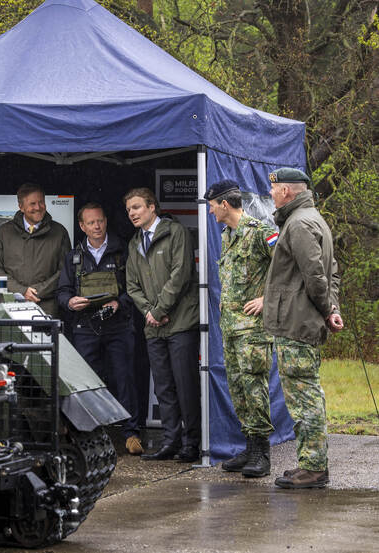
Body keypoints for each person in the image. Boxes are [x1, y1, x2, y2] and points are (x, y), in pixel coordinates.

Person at [263, 168, 343, 489]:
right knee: (306, 395)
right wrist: (332, 309)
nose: (271, 194)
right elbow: (331, 272)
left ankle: (314, 468)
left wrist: (327, 309)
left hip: (297, 323)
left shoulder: (298, 223)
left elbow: (316, 276)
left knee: (304, 398)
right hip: (301, 320)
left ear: (286, 191)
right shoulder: (314, 219)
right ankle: (311, 463)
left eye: (274, 189)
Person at [57, 203, 143, 454]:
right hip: (85, 327)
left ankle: (131, 433)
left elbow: (135, 287)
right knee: (86, 383)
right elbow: (62, 291)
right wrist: (70, 302)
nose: (97, 226)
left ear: (106, 220)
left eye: (100, 221)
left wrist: (119, 303)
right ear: (82, 226)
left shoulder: (122, 250)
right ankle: (89, 435)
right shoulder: (73, 257)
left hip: (118, 326)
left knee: (124, 378)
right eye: (91, 223)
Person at [205, 180, 277, 477]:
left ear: (224, 204)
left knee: (254, 387)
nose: (210, 211)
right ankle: (250, 445)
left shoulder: (261, 231)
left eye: (212, 205)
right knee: (238, 388)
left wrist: (267, 298)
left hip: (253, 329)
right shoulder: (227, 235)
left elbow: (287, 265)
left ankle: (262, 452)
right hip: (231, 327)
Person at [124, 187, 200, 463]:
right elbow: (132, 286)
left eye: (136, 207)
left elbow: (181, 274)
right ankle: (170, 441)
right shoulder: (134, 243)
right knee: (163, 387)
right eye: (129, 210)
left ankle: (192, 443)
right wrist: (150, 313)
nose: (132, 213)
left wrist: (159, 310)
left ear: (152, 207)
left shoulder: (176, 232)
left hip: (181, 323)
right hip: (153, 326)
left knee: (185, 385)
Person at [0, 183, 71, 316]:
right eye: (32, 203)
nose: (38, 207)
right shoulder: (4, 232)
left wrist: (36, 292)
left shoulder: (59, 232)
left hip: (47, 308)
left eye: (41, 202)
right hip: (10, 305)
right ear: (21, 207)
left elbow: (64, 271)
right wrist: (21, 291)